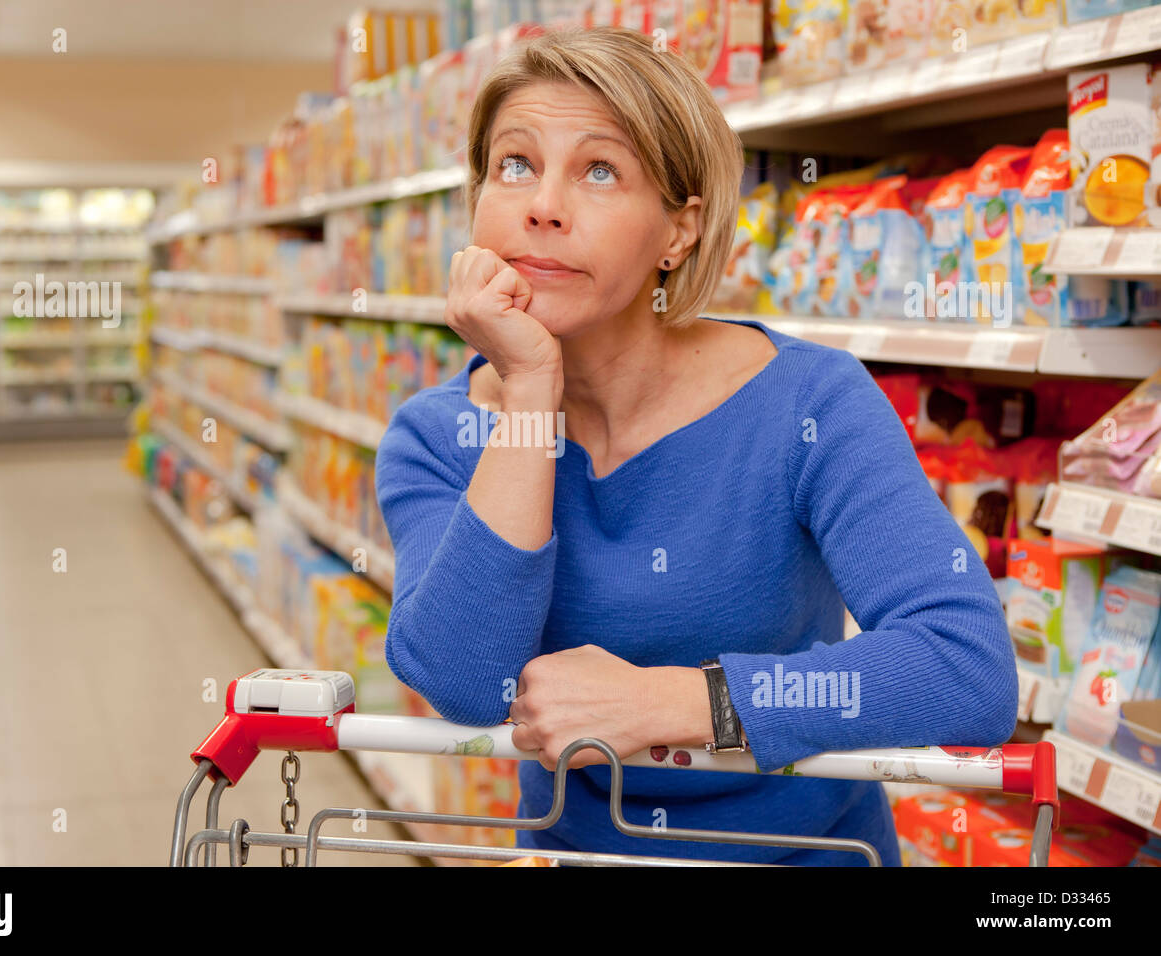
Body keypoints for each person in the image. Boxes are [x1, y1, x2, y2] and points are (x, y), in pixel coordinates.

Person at [374, 25, 1017, 865]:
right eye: (515, 165)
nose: (543, 203)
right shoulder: (436, 436)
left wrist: (682, 703)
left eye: (599, 170)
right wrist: (530, 392)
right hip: (580, 853)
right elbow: (464, 682)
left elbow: (965, 665)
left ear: (679, 231)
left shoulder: (807, 402)